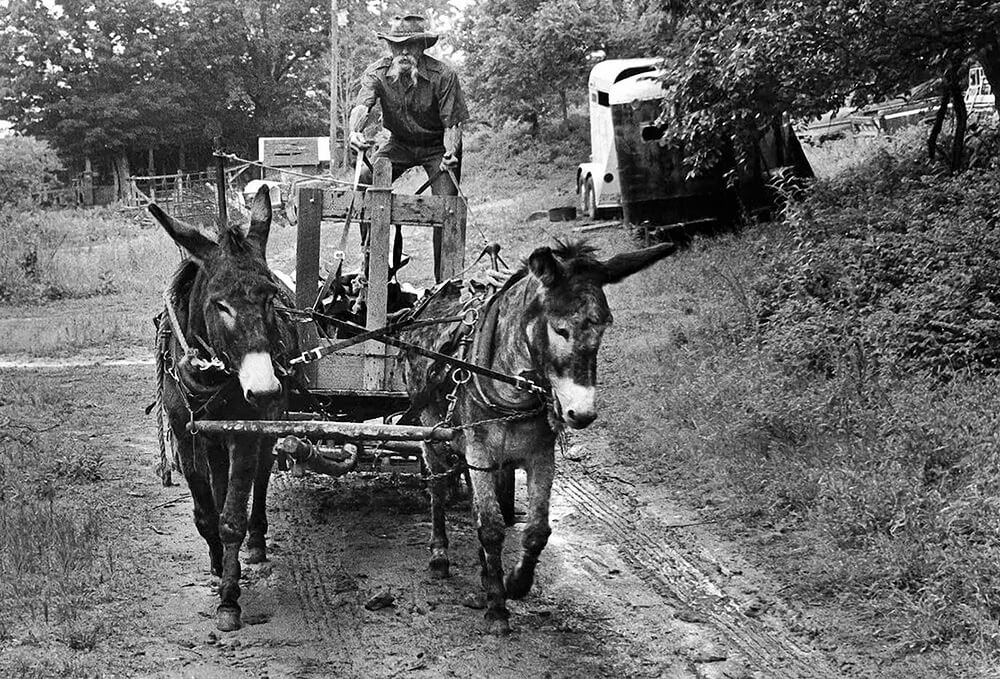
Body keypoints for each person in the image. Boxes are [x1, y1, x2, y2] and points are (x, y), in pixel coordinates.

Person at [349, 14, 469, 281]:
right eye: (397, 45)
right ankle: (371, 270)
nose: (403, 51)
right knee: (366, 180)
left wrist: (450, 153)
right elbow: (362, 106)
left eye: (410, 45)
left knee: (447, 205)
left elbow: (452, 123)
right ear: (390, 47)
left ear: (421, 47)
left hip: (438, 146)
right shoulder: (377, 73)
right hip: (398, 143)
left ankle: (445, 282)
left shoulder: (444, 75)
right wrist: (354, 132)